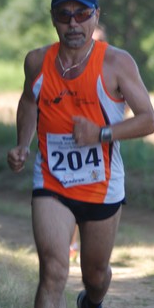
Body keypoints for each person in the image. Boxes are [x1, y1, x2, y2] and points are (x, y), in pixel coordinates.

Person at [7, 0, 154, 308]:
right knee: (53, 268)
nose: (72, 23)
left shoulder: (117, 63)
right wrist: (23, 143)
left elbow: (148, 120)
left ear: (96, 16)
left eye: (81, 14)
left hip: (102, 185)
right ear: (53, 18)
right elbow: (29, 101)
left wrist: (103, 132)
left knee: (96, 275)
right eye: (63, 14)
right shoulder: (37, 61)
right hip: (51, 181)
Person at [69, 22, 108, 263]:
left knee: (93, 201)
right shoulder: (68, 68)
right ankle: (72, 244)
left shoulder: (115, 67)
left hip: (103, 151)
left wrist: (105, 132)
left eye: (100, 41)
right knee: (71, 196)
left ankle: (91, 250)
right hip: (72, 146)